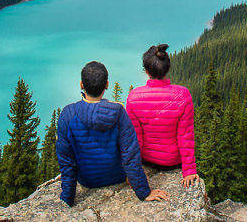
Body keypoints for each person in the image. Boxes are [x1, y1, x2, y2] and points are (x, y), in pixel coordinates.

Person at [56, 60, 169, 206]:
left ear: (81, 85)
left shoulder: (68, 115)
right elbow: (130, 155)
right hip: (117, 176)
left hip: (87, 180)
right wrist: (143, 192)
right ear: (107, 85)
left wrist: (67, 199)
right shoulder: (118, 113)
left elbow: (67, 162)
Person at [125, 44, 199, 187]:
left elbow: (135, 137)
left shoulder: (134, 97)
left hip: (147, 160)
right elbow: (185, 135)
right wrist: (189, 169)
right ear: (167, 68)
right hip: (173, 162)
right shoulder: (183, 95)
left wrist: (133, 171)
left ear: (146, 71)